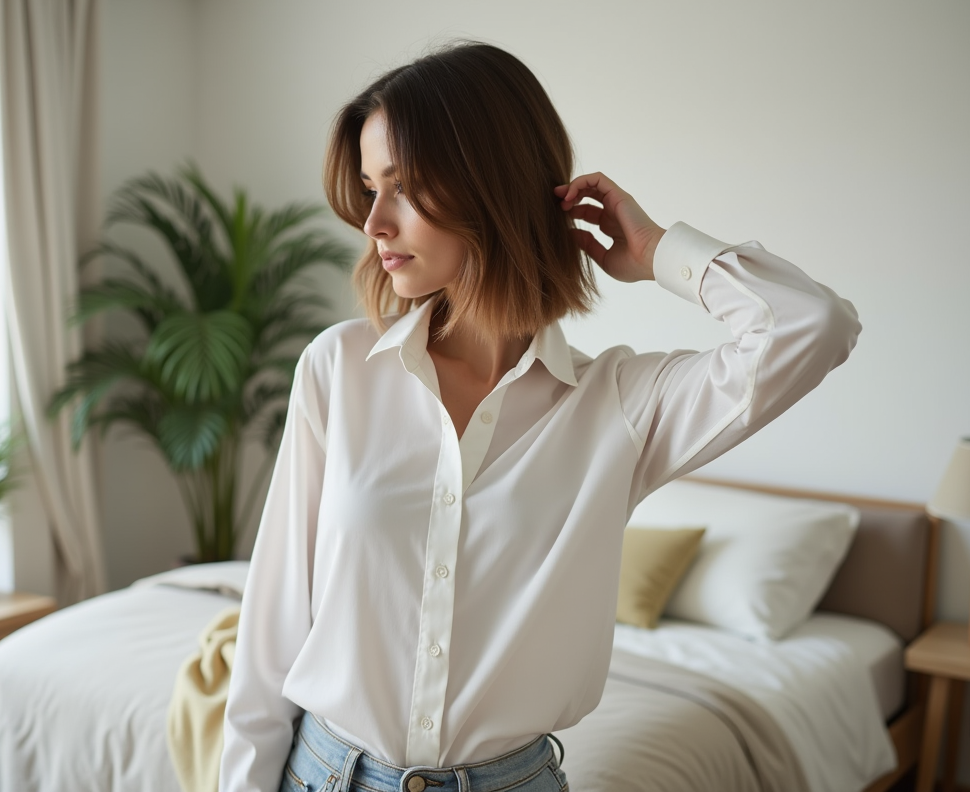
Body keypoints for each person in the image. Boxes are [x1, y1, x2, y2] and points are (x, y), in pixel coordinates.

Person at [219, 42, 860, 792]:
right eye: (369, 188)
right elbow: (271, 632)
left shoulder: (618, 407)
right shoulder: (339, 369)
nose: (375, 224)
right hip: (322, 772)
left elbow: (813, 326)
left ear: (488, 184)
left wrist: (658, 252)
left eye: (405, 186)